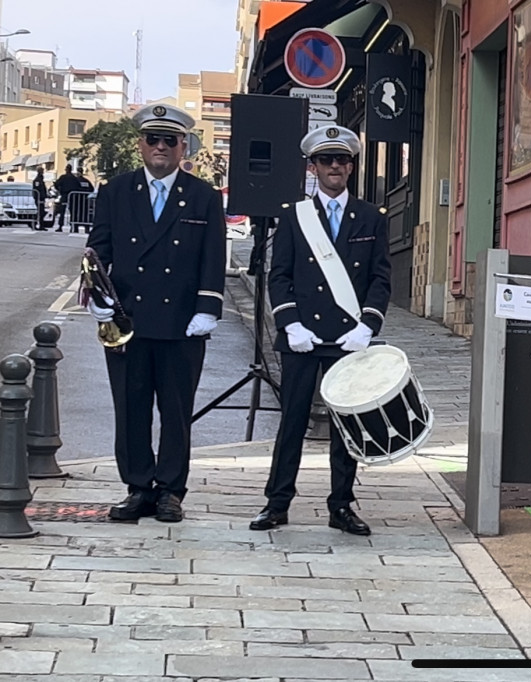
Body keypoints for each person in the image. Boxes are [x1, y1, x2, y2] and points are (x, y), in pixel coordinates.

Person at [85, 103, 226, 523]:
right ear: (140, 145)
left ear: (184, 146)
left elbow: (212, 257)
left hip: (182, 322)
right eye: (153, 139)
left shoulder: (202, 196)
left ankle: (170, 490)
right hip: (129, 321)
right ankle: (137, 487)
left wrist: (208, 308)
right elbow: (99, 249)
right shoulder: (116, 191)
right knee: (130, 409)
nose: (161, 147)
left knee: (176, 411)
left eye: (170, 140)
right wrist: (96, 296)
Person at [251, 125, 391, 536]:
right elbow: (280, 277)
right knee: (291, 422)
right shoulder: (294, 216)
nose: (335, 167)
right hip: (303, 337)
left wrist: (367, 325)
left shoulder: (370, 217)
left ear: (351, 166)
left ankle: (342, 505)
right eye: (327, 160)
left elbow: (381, 279)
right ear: (312, 167)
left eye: (342, 160)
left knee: (347, 426)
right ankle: (277, 503)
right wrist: (290, 324)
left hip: (349, 337)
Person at [52, 165, 79, 232]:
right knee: (73, 212)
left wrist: (59, 190)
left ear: (66, 169)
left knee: (62, 212)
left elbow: (56, 184)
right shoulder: (74, 178)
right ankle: (74, 227)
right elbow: (78, 186)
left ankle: (60, 226)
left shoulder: (63, 177)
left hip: (64, 195)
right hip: (73, 196)